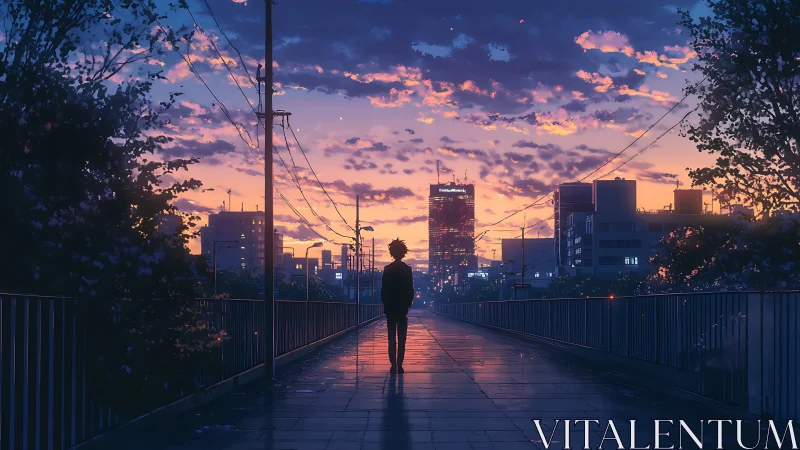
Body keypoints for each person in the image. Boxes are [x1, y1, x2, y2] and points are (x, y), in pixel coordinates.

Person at [381, 238, 414, 374]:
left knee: (391, 338)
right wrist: (407, 305)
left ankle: (393, 365)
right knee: (402, 338)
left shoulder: (387, 269)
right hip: (402, 309)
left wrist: (386, 305)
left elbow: (384, 290)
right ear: (403, 253)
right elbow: (410, 290)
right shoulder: (407, 269)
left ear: (392, 252)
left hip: (390, 309)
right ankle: (400, 365)